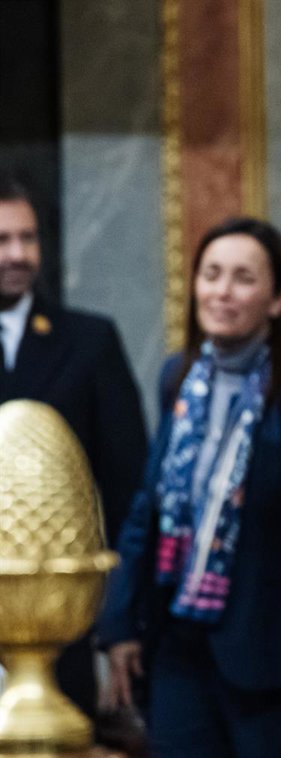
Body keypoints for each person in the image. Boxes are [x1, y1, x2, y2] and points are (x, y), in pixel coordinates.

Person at [97, 217, 281, 758]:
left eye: (243, 278)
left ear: (278, 299)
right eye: (211, 274)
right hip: (178, 646)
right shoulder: (177, 378)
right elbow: (148, 508)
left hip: (269, 659)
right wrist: (120, 623)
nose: (222, 291)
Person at [0, 172, 147, 719]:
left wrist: (120, 625)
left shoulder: (89, 342)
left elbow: (129, 492)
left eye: (28, 238)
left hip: (57, 626)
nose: (18, 254)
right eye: (2, 240)